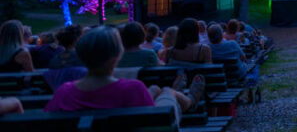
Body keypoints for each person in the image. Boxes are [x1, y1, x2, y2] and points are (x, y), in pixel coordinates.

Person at [44, 26, 205, 123]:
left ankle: (168, 93)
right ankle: (186, 100)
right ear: (117, 55)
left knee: (155, 89)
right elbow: (152, 122)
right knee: (167, 92)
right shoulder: (133, 89)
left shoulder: (64, 92)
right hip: (141, 116)